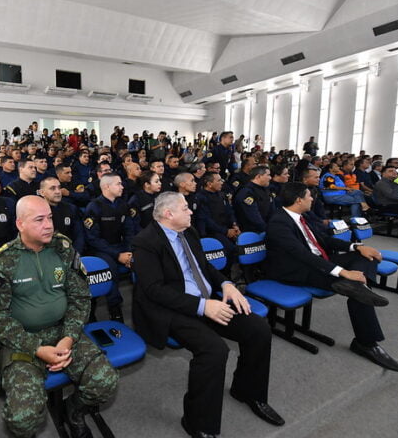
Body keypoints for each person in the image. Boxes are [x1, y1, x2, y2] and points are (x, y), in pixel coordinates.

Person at [132, 192, 283, 437]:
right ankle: (197, 423)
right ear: (168, 214)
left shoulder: (188, 232)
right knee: (214, 350)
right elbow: (153, 291)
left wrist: (226, 284)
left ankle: (248, 392)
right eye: (185, 208)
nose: (191, 211)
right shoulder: (145, 242)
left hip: (206, 300)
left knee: (258, 329)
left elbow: (205, 267)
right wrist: (203, 307)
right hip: (172, 309)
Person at [0, 196, 118, 438]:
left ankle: (73, 412)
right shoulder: (2, 261)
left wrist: (68, 338)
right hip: (22, 339)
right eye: (39, 220)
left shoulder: (63, 248)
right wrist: (36, 348)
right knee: (22, 419)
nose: (48, 225)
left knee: (104, 383)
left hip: (63, 331)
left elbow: (80, 299)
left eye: (50, 218)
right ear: (20, 224)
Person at [266, 183, 398, 372]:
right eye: (309, 196)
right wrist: (343, 271)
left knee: (366, 256)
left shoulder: (302, 216)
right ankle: (366, 342)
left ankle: (358, 287)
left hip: (319, 261)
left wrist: (356, 246)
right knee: (354, 285)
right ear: (298, 200)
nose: (312, 199)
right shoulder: (278, 222)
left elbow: (325, 240)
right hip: (297, 269)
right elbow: (302, 255)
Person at [83, 173, 137, 322]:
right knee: (110, 267)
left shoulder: (123, 205)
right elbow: (93, 239)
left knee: (143, 259)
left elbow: (129, 231)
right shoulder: (94, 207)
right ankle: (115, 307)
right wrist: (118, 254)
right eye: (118, 184)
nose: (122, 186)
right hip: (101, 249)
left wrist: (128, 251)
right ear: (106, 186)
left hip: (120, 246)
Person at [195, 172, 240, 268]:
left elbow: (229, 211)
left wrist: (234, 224)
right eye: (218, 180)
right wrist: (226, 231)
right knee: (229, 250)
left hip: (227, 229)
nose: (222, 182)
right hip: (213, 232)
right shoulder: (201, 197)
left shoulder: (222, 195)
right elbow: (206, 220)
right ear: (209, 183)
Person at [38, 176, 85, 253]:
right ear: (42, 192)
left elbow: (79, 236)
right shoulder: (36, 211)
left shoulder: (71, 209)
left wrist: (75, 254)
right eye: (52, 188)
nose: (58, 191)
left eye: (59, 188)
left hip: (69, 253)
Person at [233, 166, 275, 233]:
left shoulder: (266, 190)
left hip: (266, 228)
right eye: (268, 175)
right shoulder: (246, 192)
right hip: (252, 232)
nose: (270, 178)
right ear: (258, 176)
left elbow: (272, 211)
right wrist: (268, 230)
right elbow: (253, 217)